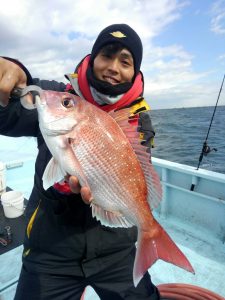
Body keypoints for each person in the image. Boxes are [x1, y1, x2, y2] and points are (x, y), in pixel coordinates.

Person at [0, 24, 159, 299]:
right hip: (51, 246)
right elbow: (14, 106)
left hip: (117, 249)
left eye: (125, 61)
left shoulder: (139, 120)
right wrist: (12, 72)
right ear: (93, 57)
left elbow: (134, 173)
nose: (113, 67)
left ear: (135, 72)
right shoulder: (58, 95)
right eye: (106, 55)